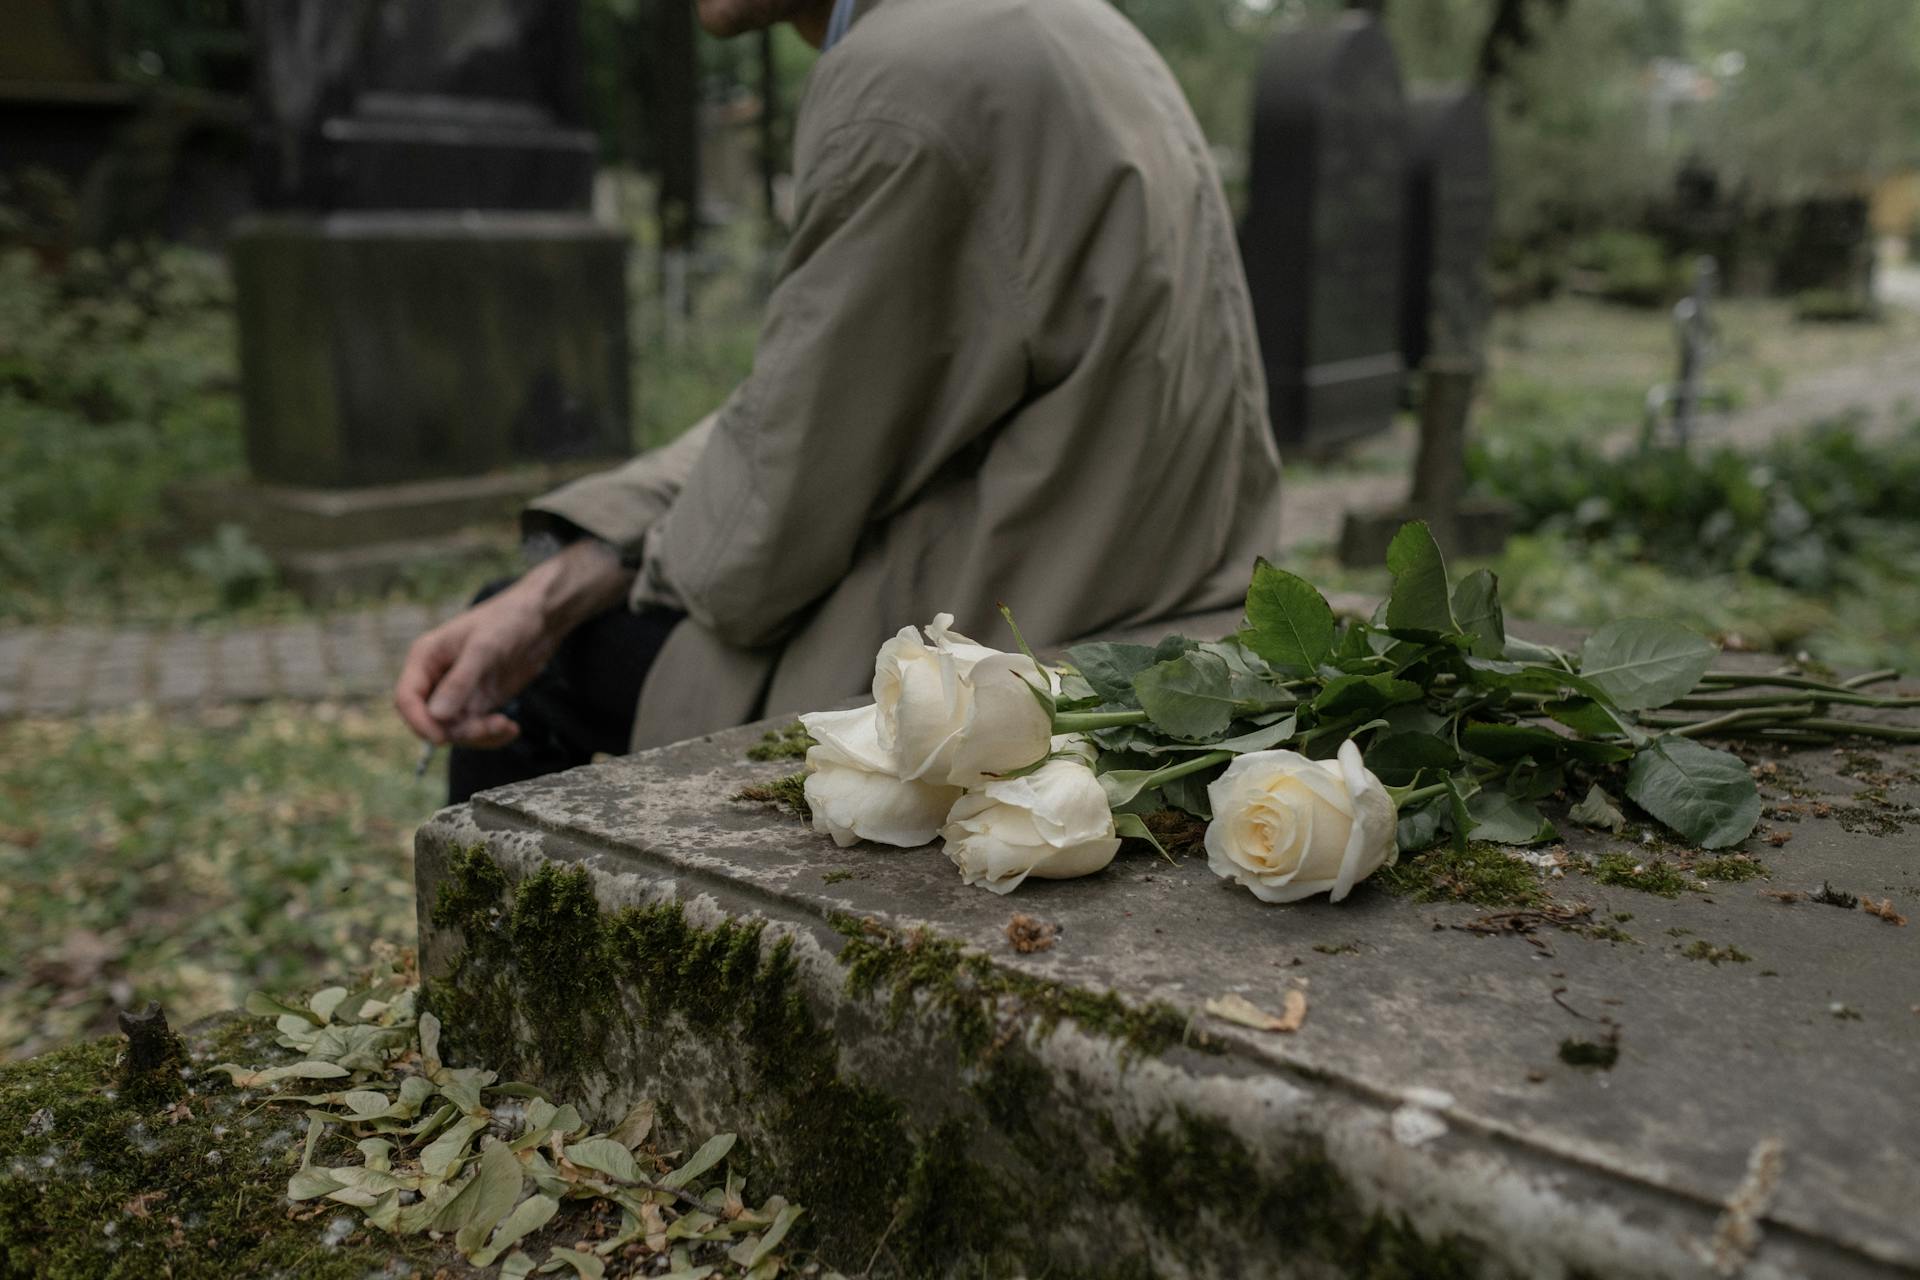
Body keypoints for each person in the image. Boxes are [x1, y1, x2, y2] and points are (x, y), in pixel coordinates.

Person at [395, 0, 1285, 803]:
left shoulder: (906, 77)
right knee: (530, 608)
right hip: (1139, 603)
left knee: (526, 674)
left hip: (1014, 652)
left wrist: (554, 592)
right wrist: (570, 567)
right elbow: (809, 410)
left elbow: (753, 549)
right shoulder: (1064, 24)